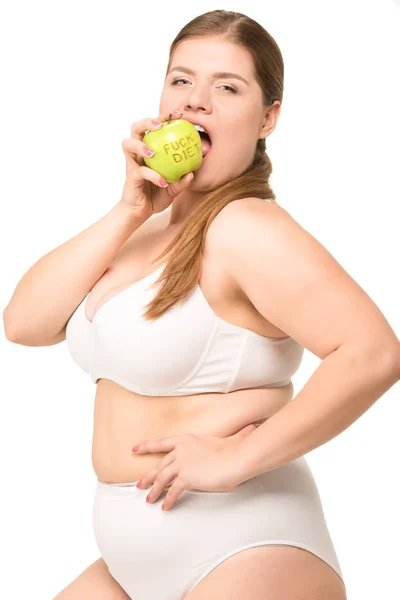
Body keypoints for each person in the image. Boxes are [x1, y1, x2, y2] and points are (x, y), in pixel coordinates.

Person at [4, 9, 399, 600]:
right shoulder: (144, 228)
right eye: (182, 80)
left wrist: (236, 460)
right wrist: (130, 209)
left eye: (228, 86)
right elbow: (23, 323)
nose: (196, 101)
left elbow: (372, 353)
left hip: (244, 547)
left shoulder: (246, 227)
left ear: (269, 118)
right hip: (130, 562)